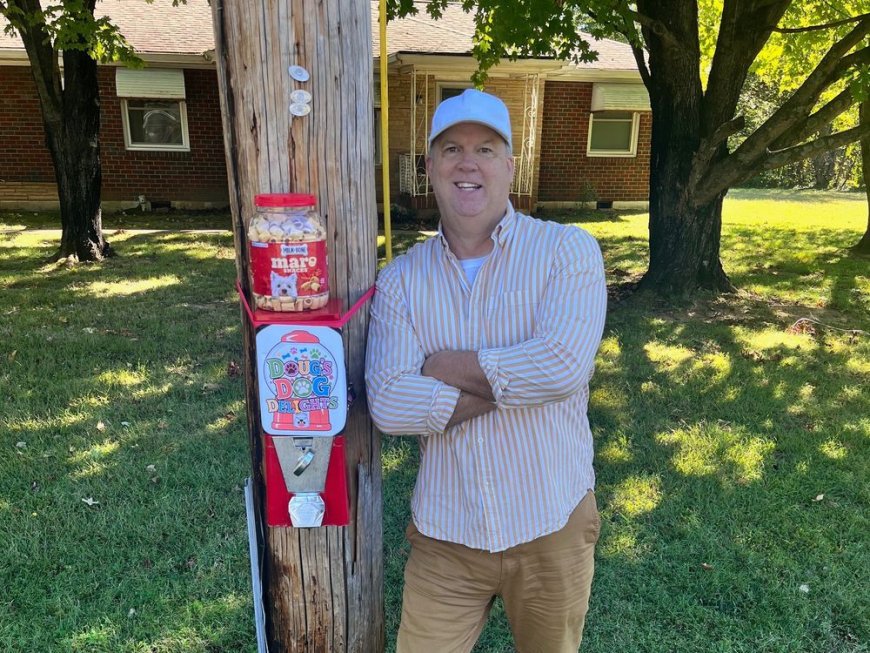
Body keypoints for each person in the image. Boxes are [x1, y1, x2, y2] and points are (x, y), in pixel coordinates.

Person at [365, 88, 608, 653]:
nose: (467, 163)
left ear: (510, 165)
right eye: (451, 149)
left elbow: (565, 367)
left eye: (486, 148)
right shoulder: (401, 280)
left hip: (552, 521)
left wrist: (444, 366)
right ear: (430, 167)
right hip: (446, 535)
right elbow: (390, 404)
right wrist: (521, 379)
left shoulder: (567, 252)